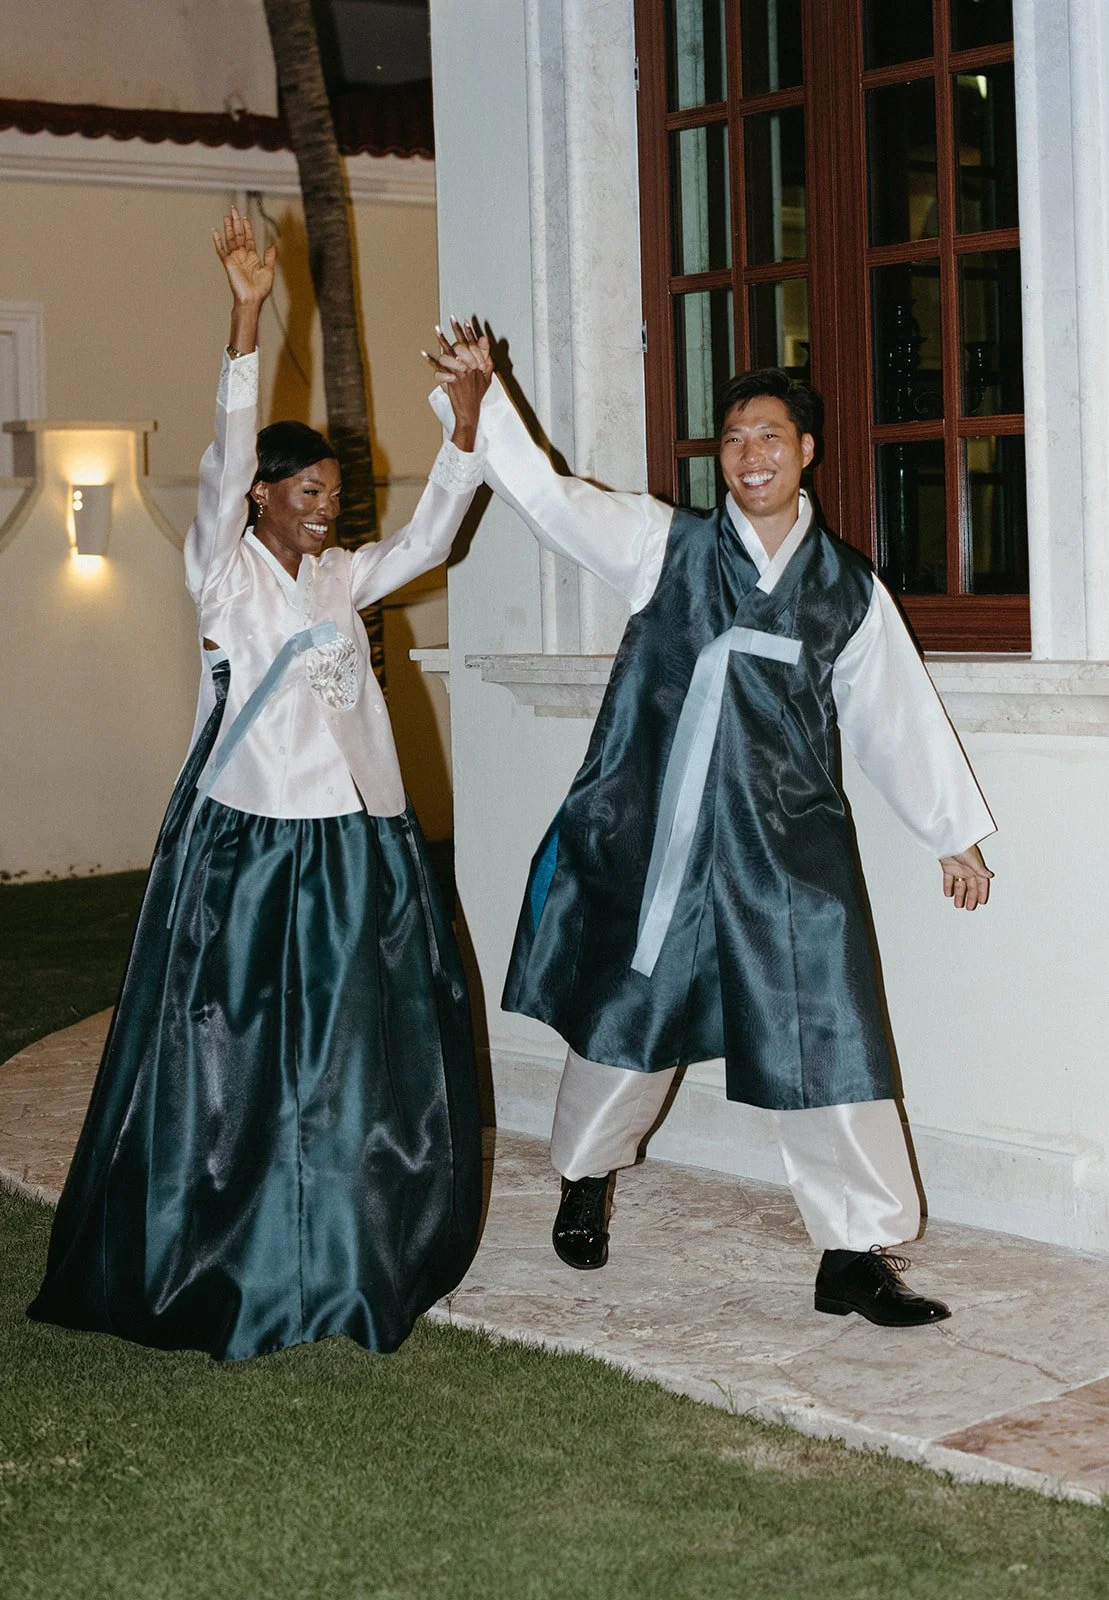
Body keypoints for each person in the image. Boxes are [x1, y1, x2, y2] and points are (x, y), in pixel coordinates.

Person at [427, 322, 994, 1328]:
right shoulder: (667, 546)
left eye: (768, 436)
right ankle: (584, 1175)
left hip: (788, 845)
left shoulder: (844, 589)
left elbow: (893, 715)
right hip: (666, 837)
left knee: (827, 1029)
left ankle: (851, 1252)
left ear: (805, 450)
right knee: (629, 1021)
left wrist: (950, 828)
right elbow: (555, 502)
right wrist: (483, 411)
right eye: (732, 439)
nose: (749, 456)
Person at [29, 214, 489, 1361]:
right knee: (233, 1041)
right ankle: (224, 1236)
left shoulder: (344, 578)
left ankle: (339, 1243)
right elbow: (224, 457)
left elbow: (433, 536)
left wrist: (467, 422)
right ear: (263, 497)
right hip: (244, 837)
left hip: (349, 841)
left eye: (333, 491)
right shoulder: (221, 572)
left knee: (343, 1042)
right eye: (308, 490)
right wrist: (244, 312)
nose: (326, 505)